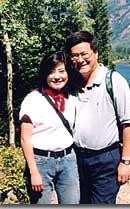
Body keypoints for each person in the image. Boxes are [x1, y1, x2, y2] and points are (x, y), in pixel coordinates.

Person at [65, 31, 130, 204]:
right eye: (74, 56)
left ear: (95, 53)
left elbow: (128, 123)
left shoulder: (114, 81)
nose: (79, 59)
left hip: (105, 160)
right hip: (77, 159)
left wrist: (125, 162)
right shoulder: (72, 83)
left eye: (84, 54)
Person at [19, 51, 80, 204]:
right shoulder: (33, 99)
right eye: (51, 72)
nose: (57, 76)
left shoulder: (72, 97)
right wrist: (34, 172)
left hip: (68, 160)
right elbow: (25, 139)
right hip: (41, 162)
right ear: (44, 75)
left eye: (61, 71)